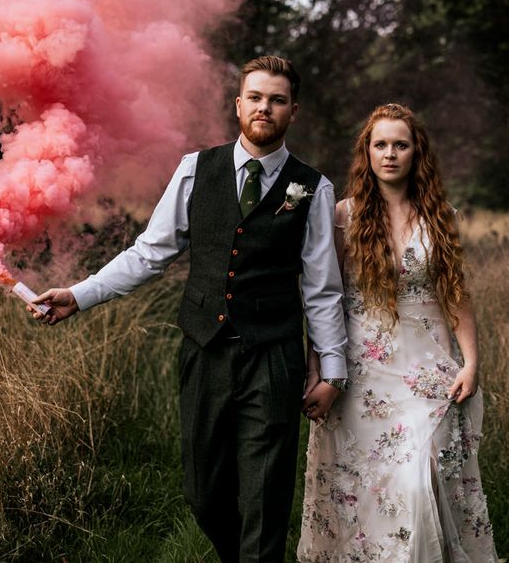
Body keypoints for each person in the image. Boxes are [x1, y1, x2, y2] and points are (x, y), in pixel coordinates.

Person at [29, 55, 348, 562]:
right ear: (239, 104)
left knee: (264, 500)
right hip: (205, 353)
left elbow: (322, 288)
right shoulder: (197, 169)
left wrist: (331, 370)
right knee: (203, 495)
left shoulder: (313, 186)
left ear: (293, 111)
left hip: (273, 359)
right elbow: (149, 253)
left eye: (278, 100)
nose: (266, 108)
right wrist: (80, 294)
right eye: (257, 97)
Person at [298, 103, 498, 562]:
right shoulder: (342, 216)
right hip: (363, 374)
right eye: (380, 144)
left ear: (416, 152)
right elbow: (324, 300)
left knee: (422, 473)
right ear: (366, 152)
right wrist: (318, 368)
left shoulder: (440, 216)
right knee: (367, 490)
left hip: (429, 369)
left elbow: (456, 294)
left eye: (400, 145)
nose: (390, 154)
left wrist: (471, 362)